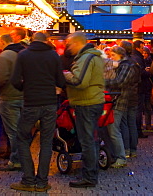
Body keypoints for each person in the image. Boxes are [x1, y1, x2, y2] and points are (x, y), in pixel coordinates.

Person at [9, 32, 65, 192]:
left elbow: (14, 80)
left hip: (31, 103)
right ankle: (42, 181)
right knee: (46, 142)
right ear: (46, 41)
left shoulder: (23, 55)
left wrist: (25, 88)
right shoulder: (53, 56)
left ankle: (28, 179)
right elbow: (61, 81)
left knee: (22, 138)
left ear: (32, 40)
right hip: (49, 103)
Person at [63, 32, 105, 189]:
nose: (68, 47)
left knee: (87, 141)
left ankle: (89, 176)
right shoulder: (93, 56)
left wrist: (65, 75)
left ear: (77, 43)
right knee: (91, 140)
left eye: (69, 44)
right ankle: (91, 173)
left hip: (87, 102)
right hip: (92, 101)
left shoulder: (86, 57)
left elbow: (79, 81)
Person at [0, 29, 26, 172]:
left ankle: (16, 160)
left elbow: (0, 79)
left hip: (9, 96)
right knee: (21, 130)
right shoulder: (24, 52)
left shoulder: (5, 56)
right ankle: (22, 158)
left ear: (2, 42)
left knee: (13, 131)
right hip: (25, 97)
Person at [102, 46, 137, 167]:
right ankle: (114, 155)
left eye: (113, 55)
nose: (111, 58)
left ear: (120, 55)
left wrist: (102, 81)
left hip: (118, 100)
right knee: (110, 129)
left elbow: (120, 82)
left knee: (113, 130)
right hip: (114, 101)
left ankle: (121, 157)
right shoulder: (122, 66)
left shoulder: (127, 66)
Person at [118, 40, 142, 155]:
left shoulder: (124, 63)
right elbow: (139, 79)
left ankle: (126, 148)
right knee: (132, 122)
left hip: (125, 95)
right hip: (134, 94)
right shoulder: (135, 62)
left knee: (124, 123)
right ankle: (133, 149)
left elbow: (121, 81)